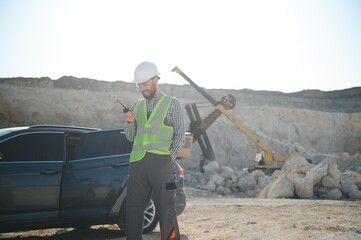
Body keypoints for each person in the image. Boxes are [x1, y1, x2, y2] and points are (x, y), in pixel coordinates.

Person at [123, 61, 185, 240]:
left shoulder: (172, 104)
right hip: (137, 164)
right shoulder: (137, 106)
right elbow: (130, 136)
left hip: (161, 164)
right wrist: (129, 121)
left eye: (145, 83)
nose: (142, 88)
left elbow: (180, 134)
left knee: (166, 210)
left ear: (156, 79)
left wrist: (169, 159)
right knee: (133, 210)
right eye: (139, 84)